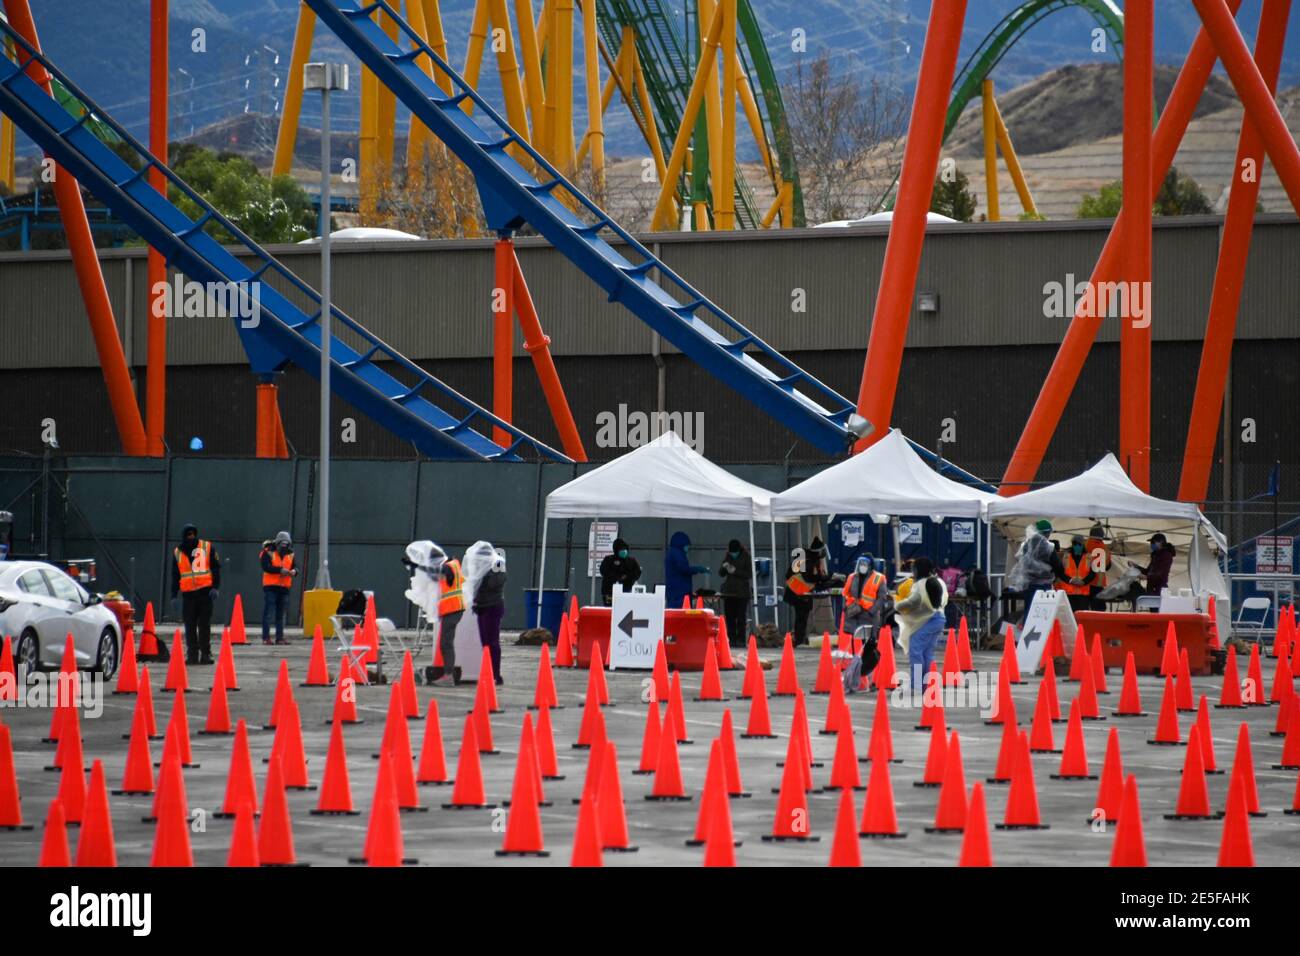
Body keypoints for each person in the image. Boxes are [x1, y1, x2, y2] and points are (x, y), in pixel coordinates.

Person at [894, 557, 947, 697]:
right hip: (939, 618)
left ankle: (915, 686)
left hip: (929, 620)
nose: (913, 571)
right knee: (927, 653)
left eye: (914, 569)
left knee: (915, 650)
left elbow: (913, 601)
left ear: (919, 570)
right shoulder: (936, 581)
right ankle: (926, 686)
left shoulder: (921, 585)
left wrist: (897, 605)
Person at [170, 523, 221, 666]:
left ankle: (206, 654)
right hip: (189, 596)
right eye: (188, 535)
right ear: (184, 537)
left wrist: (215, 587)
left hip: (205, 593)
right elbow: (175, 575)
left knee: (204, 625)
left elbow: (216, 568)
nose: (191, 537)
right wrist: (174, 595)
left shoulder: (207, 547)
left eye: (193, 534)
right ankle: (192, 654)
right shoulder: (178, 552)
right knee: (190, 626)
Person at [1006, 519, 1060, 626]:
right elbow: (1057, 565)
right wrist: (1057, 575)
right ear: (1047, 532)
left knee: (1029, 610)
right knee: (1043, 614)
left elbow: (1022, 564)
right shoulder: (1048, 547)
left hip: (1029, 585)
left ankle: (1026, 636)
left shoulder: (1026, 545)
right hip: (1043, 586)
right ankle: (1041, 639)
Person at [429, 551, 466, 685]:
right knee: (446, 642)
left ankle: (448, 676)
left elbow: (444, 576)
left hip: (453, 609)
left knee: (446, 643)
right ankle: (448, 675)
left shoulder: (447, 567)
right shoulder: (454, 564)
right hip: (455, 609)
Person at [473, 549, 507, 685]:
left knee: (492, 642)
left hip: (492, 606)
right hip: (482, 606)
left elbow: (495, 583)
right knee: (485, 643)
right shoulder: (481, 570)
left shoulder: (497, 570)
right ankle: (489, 672)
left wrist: (490, 569)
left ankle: (496, 674)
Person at [783, 547, 828, 646]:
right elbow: (809, 577)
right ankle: (799, 639)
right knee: (801, 617)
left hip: (797, 592)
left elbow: (790, 575)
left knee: (801, 617)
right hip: (800, 593)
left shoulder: (803, 558)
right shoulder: (809, 561)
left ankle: (799, 638)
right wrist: (823, 578)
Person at [259, 530, 298, 646]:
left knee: (280, 615)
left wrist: (294, 571)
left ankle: (279, 638)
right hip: (271, 587)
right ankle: (266, 638)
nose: (284, 548)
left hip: (284, 588)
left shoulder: (290, 554)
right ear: (277, 543)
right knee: (268, 613)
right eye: (282, 546)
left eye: (286, 546)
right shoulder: (267, 552)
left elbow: (296, 567)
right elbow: (266, 567)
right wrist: (280, 570)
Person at [841, 553, 887, 636]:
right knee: (854, 641)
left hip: (869, 616)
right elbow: (845, 594)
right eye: (860, 563)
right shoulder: (852, 577)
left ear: (870, 565)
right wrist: (845, 607)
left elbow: (882, 598)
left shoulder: (878, 578)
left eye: (864, 564)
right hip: (853, 613)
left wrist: (871, 611)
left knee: (867, 642)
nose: (861, 566)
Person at [717, 539, 752, 647]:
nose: (733, 554)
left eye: (734, 552)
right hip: (729, 592)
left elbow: (749, 574)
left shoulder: (746, 557)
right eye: (731, 552)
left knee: (741, 617)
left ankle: (741, 640)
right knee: (730, 617)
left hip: (742, 593)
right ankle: (731, 639)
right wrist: (724, 568)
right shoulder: (728, 556)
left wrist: (735, 571)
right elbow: (721, 574)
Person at [664, 530, 707, 609]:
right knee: (682, 615)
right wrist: (699, 569)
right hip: (680, 593)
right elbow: (684, 569)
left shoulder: (672, 553)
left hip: (675, 592)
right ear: (682, 544)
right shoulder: (677, 554)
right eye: (687, 545)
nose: (688, 547)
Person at [1055, 534, 1097, 612]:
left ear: (1083, 544)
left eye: (1079, 544)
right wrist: (1070, 580)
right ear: (1072, 544)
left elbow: (1093, 573)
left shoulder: (1089, 557)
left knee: (1082, 618)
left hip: (1083, 594)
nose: (1077, 546)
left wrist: (1084, 581)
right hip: (1068, 593)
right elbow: (1060, 573)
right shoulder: (1065, 556)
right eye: (1075, 544)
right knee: (1069, 617)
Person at [599, 538, 641, 606]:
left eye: (625, 549)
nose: (624, 551)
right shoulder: (609, 560)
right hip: (609, 592)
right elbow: (603, 571)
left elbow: (637, 573)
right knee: (610, 609)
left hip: (627, 591)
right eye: (621, 550)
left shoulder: (631, 561)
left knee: (625, 609)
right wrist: (616, 577)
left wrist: (627, 578)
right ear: (616, 550)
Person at [1085, 524, 1111, 609]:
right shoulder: (1105, 548)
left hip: (1086, 581)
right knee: (1098, 609)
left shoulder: (1086, 545)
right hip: (1099, 583)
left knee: (1085, 609)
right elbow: (1107, 566)